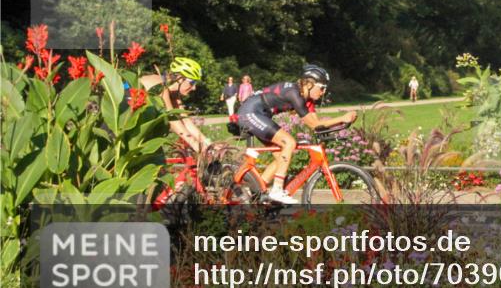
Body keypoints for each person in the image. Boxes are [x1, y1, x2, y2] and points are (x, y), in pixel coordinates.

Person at [237, 64, 356, 204]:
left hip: (260, 114)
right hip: (250, 112)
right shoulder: (294, 94)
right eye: (322, 88)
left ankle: (257, 194)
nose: (323, 92)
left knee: (281, 157)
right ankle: (276, 190)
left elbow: (317, 125)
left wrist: (340, 125)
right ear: (310, 84)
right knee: (289, 143)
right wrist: (342, 118)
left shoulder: (307, 99)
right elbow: (313, 124)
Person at [137, 57, 212, 153]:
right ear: (180, 79)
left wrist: (208, 143)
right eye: (192, 82)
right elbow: (172, 120)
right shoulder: (159, 86)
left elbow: (185, 120)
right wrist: (196, 145)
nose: (194, 88)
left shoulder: (173, 93)